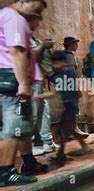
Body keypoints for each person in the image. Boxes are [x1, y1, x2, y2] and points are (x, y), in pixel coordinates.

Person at [0, 0, 49, 187]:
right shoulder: (16, 19)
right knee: (14, 125)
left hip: (7, 75)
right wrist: (24, 83)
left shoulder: (5, 15)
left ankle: (28, 163)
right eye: (35, 8)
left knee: (22, 124)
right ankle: (5, 172)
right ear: (23, 1)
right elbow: (18, 52)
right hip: (13, 77)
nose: (37, 15)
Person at [48, 50, 91, 165]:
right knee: (66, 130)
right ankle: (62, 153)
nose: (54, 65)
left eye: (56, 63)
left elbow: (74, 89)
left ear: (63, 62)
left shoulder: (69, 73)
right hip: (64, 107)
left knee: (68, 129)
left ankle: (80, 148)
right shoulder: (58, 75)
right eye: (53, 63)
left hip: (70, 106)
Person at [28, 15, 57, 156]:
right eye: (35, 20)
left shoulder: (34, 39)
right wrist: (44, 46)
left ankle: (48, 142)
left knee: (44, 113)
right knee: (32, 114)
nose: (38, 23)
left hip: (39, 80)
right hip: (29, 82)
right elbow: (32, 56)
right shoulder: (21, 39)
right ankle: (30, 145)